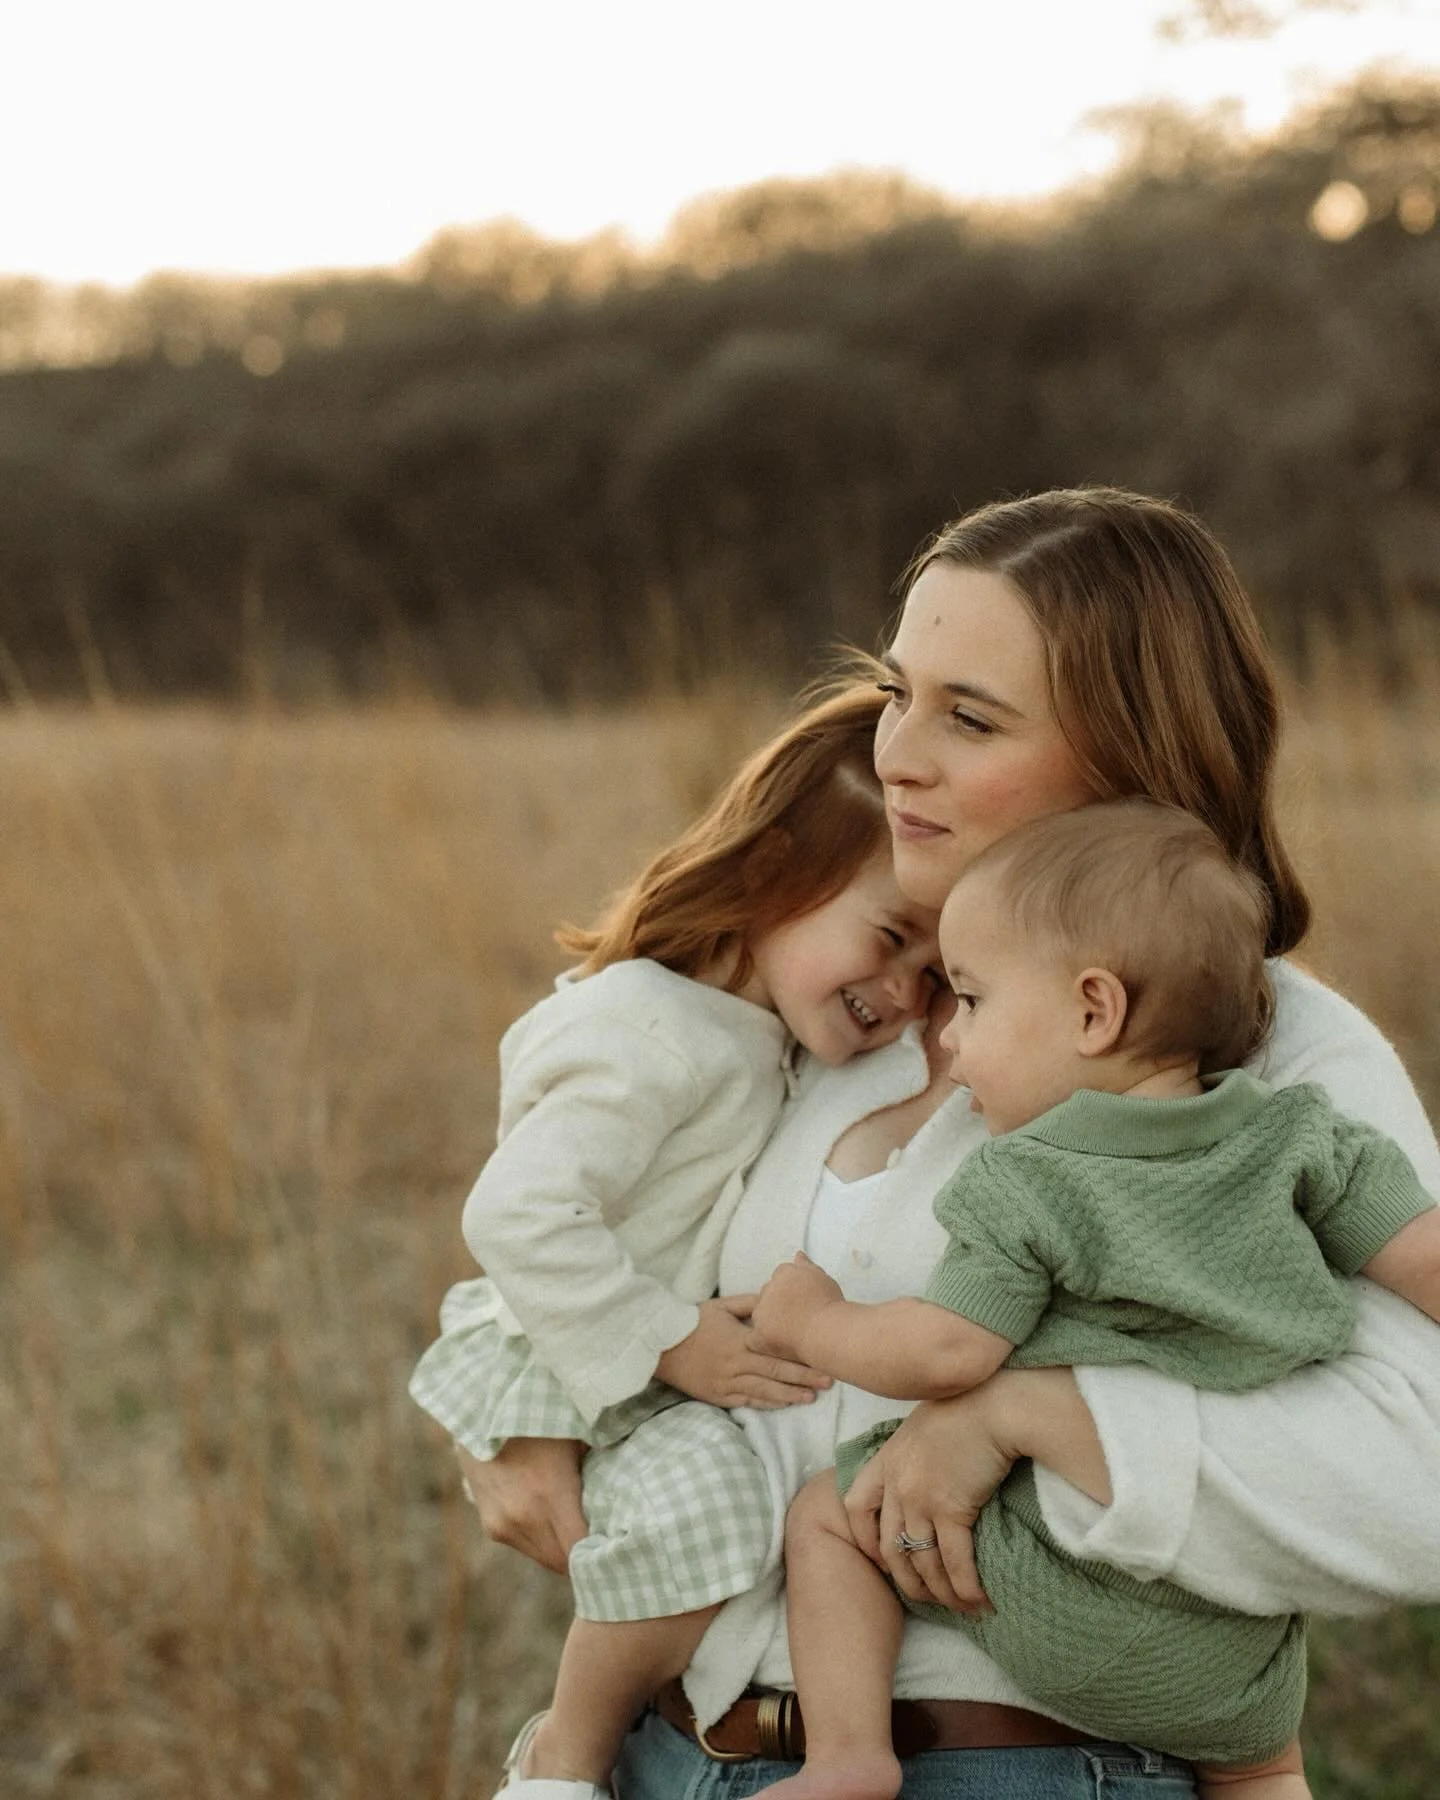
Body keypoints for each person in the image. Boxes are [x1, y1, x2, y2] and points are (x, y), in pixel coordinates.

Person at [452, 488, 1440, 1800]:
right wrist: (509, 1411)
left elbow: (1414, 1477)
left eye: (968, 717)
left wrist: (1028, 1416)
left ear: (1130, 761)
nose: (898, 754)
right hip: (678, 1754)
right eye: (900, 694)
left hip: (1013, 1768)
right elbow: (587, 1223)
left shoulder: (1254, 1046)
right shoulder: (840, 1006)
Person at [748, 799, 1440, 1800]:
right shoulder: (1298, 1136)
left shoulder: (1027, 1179)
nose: (955, 1040)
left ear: (1093, 1011)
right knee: (1259, 1766)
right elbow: (1422, 1253)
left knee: (827, 1516)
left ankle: (849, 1757)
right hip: (1235, 1654)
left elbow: (948, 1353)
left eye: (975, 1002)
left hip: (1062, 1592)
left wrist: (808, 1318)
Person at [409, 686, 941, 1798]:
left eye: (933, 975)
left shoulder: (758, 1033)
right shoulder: (648, 1028)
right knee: (713, 1500)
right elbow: (515, 1214)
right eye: (890, 938)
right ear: (769, 875)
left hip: (614, 1349)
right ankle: (563, 1759)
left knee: (711, 1505)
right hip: (573, 1351)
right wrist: (668, 1339)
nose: (900, 993)